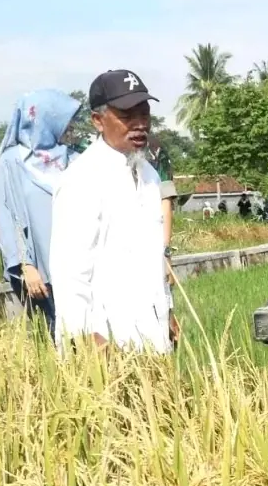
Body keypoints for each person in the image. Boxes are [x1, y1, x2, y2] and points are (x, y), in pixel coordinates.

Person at [50, 69, 175, 354]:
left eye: (144, 115)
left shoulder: (149, 175)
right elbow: (70, 271)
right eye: (127, 116)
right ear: (98, 120)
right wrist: (85, 338)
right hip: (105, 341)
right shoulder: (81, 179)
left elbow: (153, 257)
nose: (140, 125)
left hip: (151, 335)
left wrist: (167, 311)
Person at [0, 90, 81, 334]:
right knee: (62, 338)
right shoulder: (12, 162)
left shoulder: (75, 159)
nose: (70, 125)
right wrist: (25, 265)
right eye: (64, 119)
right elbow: (8, 219)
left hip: (84, 267)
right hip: (45, 271)